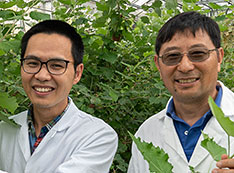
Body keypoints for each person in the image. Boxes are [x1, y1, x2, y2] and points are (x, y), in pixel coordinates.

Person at [0, 20, 118, 173]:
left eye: (56, 65)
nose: (42, 75)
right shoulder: (4, 129)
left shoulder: (99, 136)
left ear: (77, 73)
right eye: (32, 63)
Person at [128, 11, 234, 173]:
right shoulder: (147, 133)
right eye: (172, 56)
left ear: (219, 58)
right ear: (158, 64)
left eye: (198, 54)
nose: (185, 66)